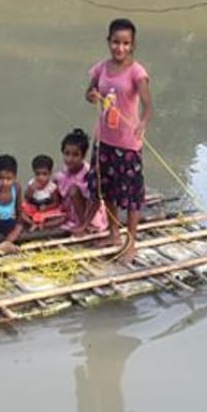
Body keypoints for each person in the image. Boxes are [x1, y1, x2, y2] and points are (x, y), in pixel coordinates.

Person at [85, 18, 152, 264]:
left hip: (128, 143)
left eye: (125, 43)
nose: (119, 48)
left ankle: (131, 241)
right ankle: (114, 234)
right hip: (104, 140)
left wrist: (142, 123)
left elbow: (148, 105)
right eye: (115, 42)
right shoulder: (101, 68)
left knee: (132, 196)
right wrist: (92, 95)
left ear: (132, 45)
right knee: (108, 190)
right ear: (108, 42)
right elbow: (89, 93)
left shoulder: (137, 73)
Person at [57, 128, 107, 235]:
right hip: (72, 212)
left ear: (83, 156)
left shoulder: (88, 174)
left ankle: (84, 226)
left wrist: (84, 224)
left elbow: (96, 201)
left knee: (73, 190)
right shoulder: (64, 172)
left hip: (90, 215)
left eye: (75, 155)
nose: (69, 159)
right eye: (67, 154)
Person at [21, 154, 64, 231]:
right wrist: (31, 190)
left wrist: (47, 207)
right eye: (38, 174)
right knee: (20, 211)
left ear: (50, 173)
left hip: (45, 210)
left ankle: (43, 225)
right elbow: (26, 198)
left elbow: (56, 202)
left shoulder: (52, 187)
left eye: (44, 174)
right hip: (34, 208)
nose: (41, 177)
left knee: (62, 218)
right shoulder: (32, 183)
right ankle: (32, 223)